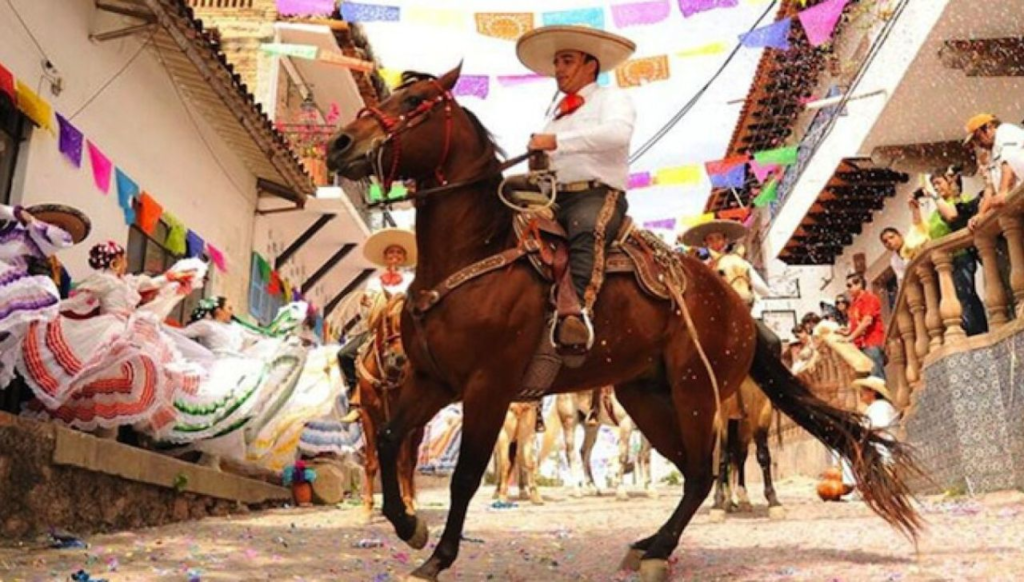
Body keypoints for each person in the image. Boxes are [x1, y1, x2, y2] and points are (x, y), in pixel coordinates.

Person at [516, 25, 637, 354]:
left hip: (597, 195)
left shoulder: (612, 99)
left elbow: (617, 136)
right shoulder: (555, 115)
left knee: (586, 228)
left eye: (566, 61)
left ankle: (575, 315)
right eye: (557, 63)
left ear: (590, 65)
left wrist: (555, 142)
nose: (558, 70)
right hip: (555, 197)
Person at [18, 241, 203, 434]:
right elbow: (78, 301)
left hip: (129, 327)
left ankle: (109, 426)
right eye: (123, 260)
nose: (126, 263)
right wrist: (48, 308)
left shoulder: (129, 282)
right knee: (103, 371)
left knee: (128, 370)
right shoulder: (103, 280)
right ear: (115, 261)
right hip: (109, 328)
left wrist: (174, 277)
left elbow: (155, 282)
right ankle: (103, 427)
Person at [0, 204, 85, 391]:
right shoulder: (17, 230)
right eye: (53, 224)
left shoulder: (53, 261)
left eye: (61, 226)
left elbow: (62, 238)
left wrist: (25, 217)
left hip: (22, 302)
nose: (57, 229)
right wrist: (11, 213)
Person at [911, 167, 987, 336]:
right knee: (958, 297)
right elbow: (921, 232)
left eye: (938, 183)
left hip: (961, 255)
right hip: (945, 262)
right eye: (933, 184)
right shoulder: (935, 213)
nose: (936, 187)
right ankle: (974, 329)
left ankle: (977, 331)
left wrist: (933, 195)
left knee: (964, 296)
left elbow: (953, 217)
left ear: (949, 181)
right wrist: (915, 209)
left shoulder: (960, 201)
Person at [964, 114, 1024, 220]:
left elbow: (1008, 162)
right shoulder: (991, 153)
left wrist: (1003, 191)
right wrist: (980, 214)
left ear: (989, 127)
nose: (978, 143)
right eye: (975, 141)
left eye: (978, 137)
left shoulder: (1005, 131)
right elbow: (990, 187)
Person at [839, 273, 886, 379]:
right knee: (868, 380)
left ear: (859, 284)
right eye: (847, 286)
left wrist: (850, 338)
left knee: (876, 377)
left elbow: (866, 321)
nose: (848, 289)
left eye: (850, 285)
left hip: (871, 343)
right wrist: (846, 331)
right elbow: (855, 325)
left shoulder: (869, 298)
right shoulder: (853, 304)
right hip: (860, 345)